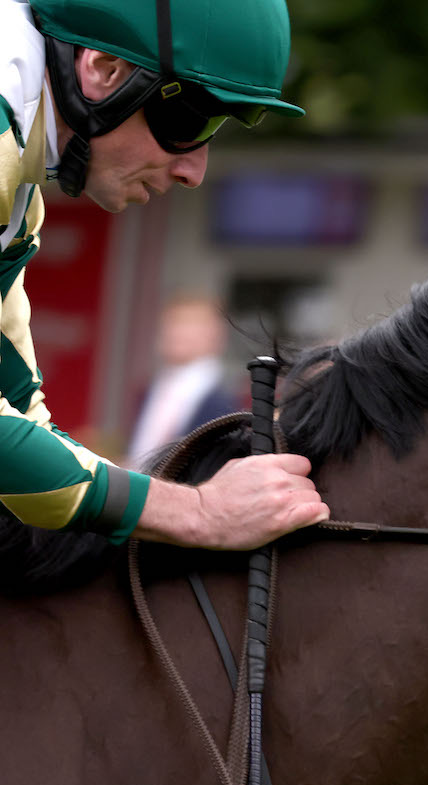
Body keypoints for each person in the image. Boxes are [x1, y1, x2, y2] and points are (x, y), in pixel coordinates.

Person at [0, 0, 328, 590]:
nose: (194, 170)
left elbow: (21, 418)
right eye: (192, 122)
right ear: (103, 69)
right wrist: (199, 512)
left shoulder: (19, 185)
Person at [125, 293, 241, 468]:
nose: (174, 332)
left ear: (215, 335)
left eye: (188, 325)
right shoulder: (152, 389)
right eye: (171, 323)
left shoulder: (225, 396)